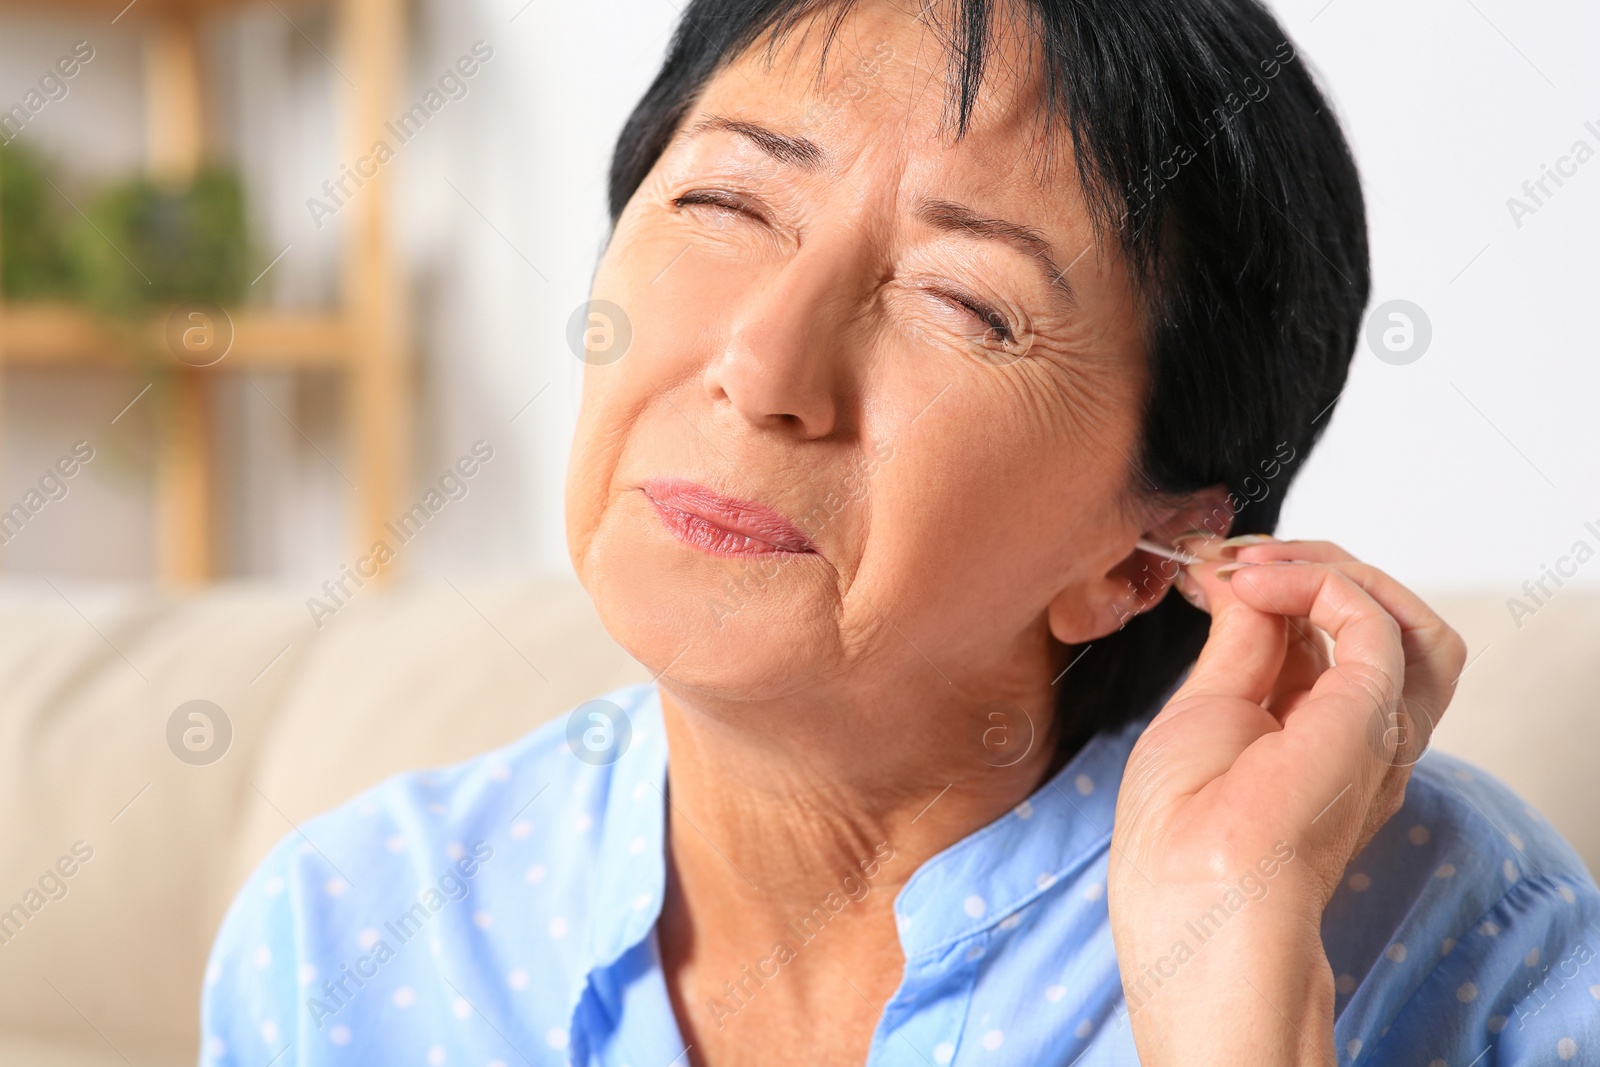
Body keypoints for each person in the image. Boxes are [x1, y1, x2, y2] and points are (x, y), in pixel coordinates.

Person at [201, 1, 1600, 1063]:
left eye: (966, 303)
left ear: (1141, 555)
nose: (763, 366)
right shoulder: (353, 932)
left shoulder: (1447, 924)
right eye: (727, 202)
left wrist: (1234, 999)